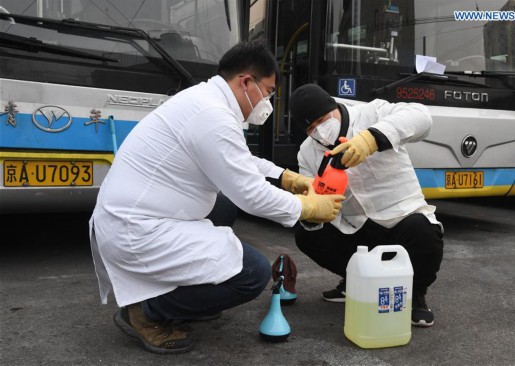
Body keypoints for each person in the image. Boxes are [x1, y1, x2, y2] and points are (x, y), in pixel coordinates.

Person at [88, 42, 345, 354]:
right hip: (136, 230)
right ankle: (148, 311)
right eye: (267, 92)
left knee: (222, 207)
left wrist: (286, 177)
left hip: (136, 215)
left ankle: (194, 296)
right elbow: (251, 195)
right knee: (252, 273)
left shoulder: (206, 102)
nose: (267, 103)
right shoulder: (213, 115)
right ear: (246, 81)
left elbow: (238, 160)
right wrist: (305, 207)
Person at [288, 83, 444, 327]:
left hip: (400, 217)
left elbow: (422, 117)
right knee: (306, 236)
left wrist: (372, 138)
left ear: (334, 107)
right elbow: (312, 196)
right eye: (311, 128)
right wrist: (312, 208)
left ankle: (414, 296)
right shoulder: (307, 152)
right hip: (355, 228)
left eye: (322, 119)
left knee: (424, 234)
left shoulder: (373, 112)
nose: (319, 130)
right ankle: (353, 281)